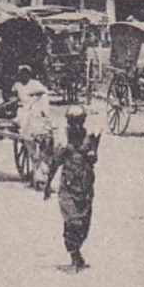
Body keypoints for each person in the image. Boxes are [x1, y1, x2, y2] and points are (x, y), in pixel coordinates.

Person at [44, 106, 99, 271]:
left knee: (83, 225)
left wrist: (93, 154)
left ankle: (78, 252)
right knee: (72, 222)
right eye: (73, 123)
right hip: (68, 189)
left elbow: (94, 158)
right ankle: (74, 255)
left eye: (79, 122)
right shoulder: (64, 143)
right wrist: (47, 185)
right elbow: (54, 164)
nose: (76, 126)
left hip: (86, 189)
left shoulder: (89, 139)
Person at [16, 79, 56, 188]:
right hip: (33, 131)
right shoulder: (21, 89)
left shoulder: (41, 100)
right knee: (36, 156)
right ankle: (38, 179)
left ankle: (40, 178)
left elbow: (45, 115)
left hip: (38, 131)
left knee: (40, 156)